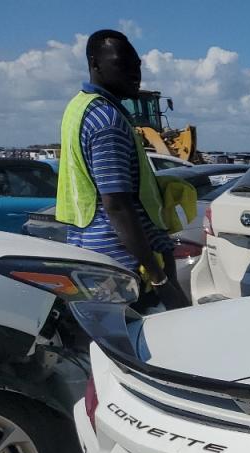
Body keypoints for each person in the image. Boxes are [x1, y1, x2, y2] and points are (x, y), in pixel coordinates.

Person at [56, 29, 188, 309]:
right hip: (121, 265)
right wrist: (159, 278)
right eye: (122, 63)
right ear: (95, 64)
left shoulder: (79, 108)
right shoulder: (108, 121)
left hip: (89, 251)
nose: (134, 73)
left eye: (137, 66)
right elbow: (117, 205)